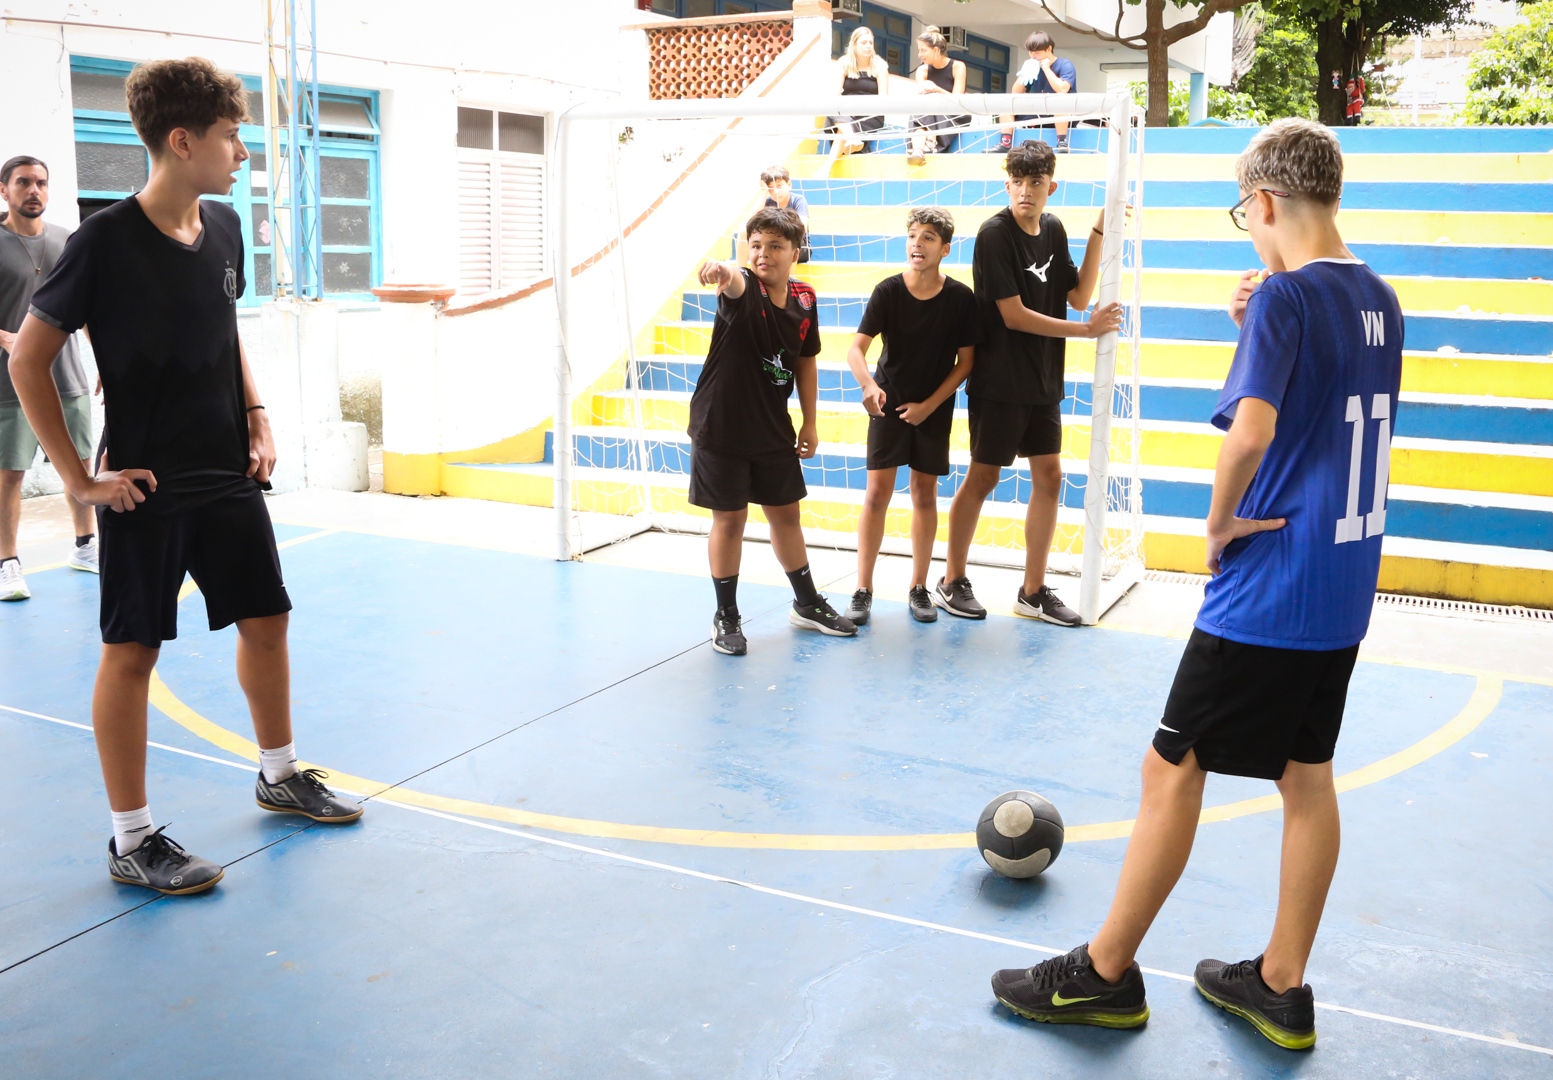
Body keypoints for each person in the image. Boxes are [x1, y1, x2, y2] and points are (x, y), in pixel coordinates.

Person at [988, 119, 1404, 1052]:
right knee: (1306, 774)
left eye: (1243, 214)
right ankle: (1280, 984)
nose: (1247, 229)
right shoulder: (1377, 298)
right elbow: (1322, 397)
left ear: (1264, 202)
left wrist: (1217, 523)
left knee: (1170, 766)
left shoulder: (1285, 298)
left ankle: (1101, 975)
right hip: (1343, 581)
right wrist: (1258, 322)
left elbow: (1252, 432)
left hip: (1271, 585)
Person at [8, 57, 362, 897]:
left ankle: (279, 774)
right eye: (232, 136)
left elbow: (222, 325)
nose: (242, 152)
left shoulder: (225, 226)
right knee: (133, 651)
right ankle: (132, 838)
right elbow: (28, 359)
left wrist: (257, 413)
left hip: (226, 470)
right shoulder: (102, 243)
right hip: (146, 485)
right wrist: (78, 482)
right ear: (181, 140)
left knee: (267, 619)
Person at [936, 141, 1120, 624]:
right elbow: (1013, 316)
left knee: (1050, 477)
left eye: (1035, 183)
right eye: (1017, 182)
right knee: (984, 477)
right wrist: (1086, 331)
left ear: (1050, 187)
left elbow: (1078, 296)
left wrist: (1099, 231)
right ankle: (951, 580)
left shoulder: (1054, 229)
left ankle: (1032, 591)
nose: (1025, 191)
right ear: (1007, 184)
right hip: (1000, 380)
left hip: (1043, 378)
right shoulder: (993, 235)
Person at [688, 206, 857, 655]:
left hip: (772, 427)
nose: (763, 254)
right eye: (756, 245)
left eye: (776, 246)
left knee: (786, 516)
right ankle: (726, 616)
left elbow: (805, 360)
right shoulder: (745, 287)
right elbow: (733, 278)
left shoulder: (805, 298)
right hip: (720, 426)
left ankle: (806, 603)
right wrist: (721, 269)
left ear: (795, 253)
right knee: (731, 520)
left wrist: (810, 420)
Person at [842, 208, 979, 626]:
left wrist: (930, 406)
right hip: (888, 402)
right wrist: (868, 385)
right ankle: (863, 589)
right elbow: (856, 349)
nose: (918, 243)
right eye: (913, 236)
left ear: (945, 248)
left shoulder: (960, 298)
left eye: (928, 237)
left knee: (924, 494)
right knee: (876, 494)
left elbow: (966, 362)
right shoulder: (887, 291)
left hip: (932, 408)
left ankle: (919, 587)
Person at [0, 156, 97, 601]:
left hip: (67, 376)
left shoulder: (66, 240)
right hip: (10, 383)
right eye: (23, 182)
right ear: (4, 190)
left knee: (80, 464)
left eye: (40, 182)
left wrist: (105, 361)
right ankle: (8, 563)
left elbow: (88, 306)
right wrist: (9, 339)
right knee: (9, 475)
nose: (33, 190)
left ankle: (85, 545)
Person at [990, 32, 1078, 155]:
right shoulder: (1033, 66)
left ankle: (1062, 141)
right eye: (1031, 53)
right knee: (1007, 103)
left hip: (1063, 116)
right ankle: (1005, 142)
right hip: (1038, 112)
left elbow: (1062, 89)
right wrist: (1024, 72)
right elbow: (1015, 92)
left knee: (1059, 101)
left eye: (1037, 53)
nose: (1033, 56)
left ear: (1049, 49)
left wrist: (1046, 69)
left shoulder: (1065, 65)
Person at [827, 25, 890, 163]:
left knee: (844, 129)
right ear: (854, 45)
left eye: (870, 42)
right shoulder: (844, 63)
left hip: (870, 114)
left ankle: (848, 141)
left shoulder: (880, 66)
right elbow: (835, 94)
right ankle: (851, 138)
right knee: (835, 111)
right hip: (847, 111)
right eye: (864, 42)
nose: (868, 46)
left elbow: (883, 99)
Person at [907, 28, 969, 166]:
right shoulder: (922, 70)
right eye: (919, 50)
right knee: (922, 106)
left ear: (935, 50)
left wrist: (936, 89)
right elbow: (921, 97)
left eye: (923, 50)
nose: (920, 54)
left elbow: (957, 100)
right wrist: (927, 90)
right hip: (929, 112)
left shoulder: (958, 66)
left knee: (931, 100)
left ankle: (928, 143)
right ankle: (918, 150)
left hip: (952, 114)